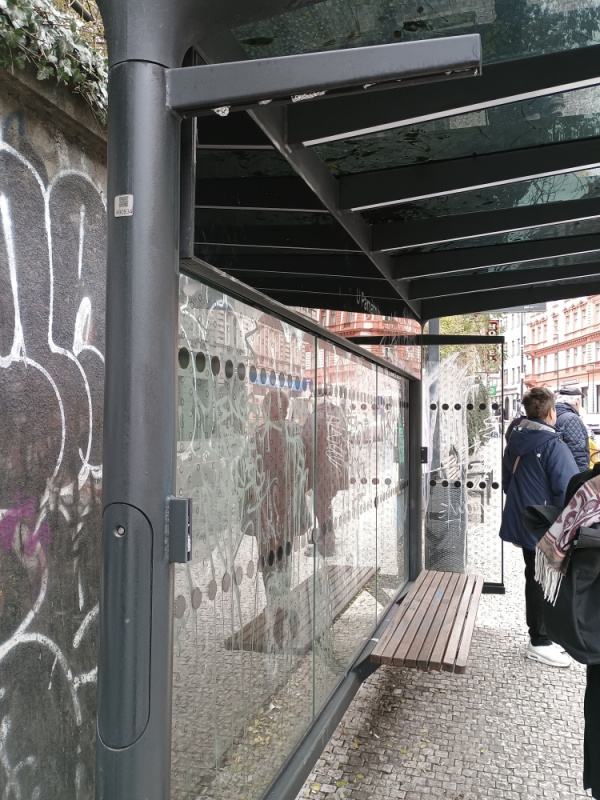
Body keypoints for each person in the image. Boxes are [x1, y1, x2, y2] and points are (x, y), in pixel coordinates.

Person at [500, 386, 578, 667]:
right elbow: (569, 489)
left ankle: (544, 635)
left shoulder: (516, 439)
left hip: (527, 519)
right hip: (547, 524)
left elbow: (508, 481)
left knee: (535, 575)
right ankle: (539, 640)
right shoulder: (553, 445)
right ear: (551, 412)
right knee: (542, 579)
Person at [555, 385, 590, 472]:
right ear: (576, 402)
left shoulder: (552, 415)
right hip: (571, 471)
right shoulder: (571, 418)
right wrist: (583, 476)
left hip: (558, 468)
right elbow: (578, 452)